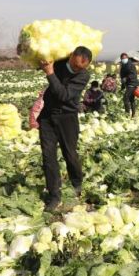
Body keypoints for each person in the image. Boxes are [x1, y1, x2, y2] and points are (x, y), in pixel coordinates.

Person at [38, 46, 92, 212]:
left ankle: (76, 183)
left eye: (80, 67)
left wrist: (50, 73)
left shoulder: (83, 76)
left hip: (67, 119)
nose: (76, 69)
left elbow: (63, 95)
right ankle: (54, 195)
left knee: (70, 153)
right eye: (75, 65)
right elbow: (38, 63)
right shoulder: (58, 63)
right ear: (70, 56)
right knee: (48, 156)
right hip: (48, 116)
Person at [120, 53, 139, 117]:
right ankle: (133, 114)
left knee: (125, 98)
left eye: (125, 58)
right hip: (128, 84)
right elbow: (122, 76)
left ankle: (127, 113)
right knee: (131, 99)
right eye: (122, 58)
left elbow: (133, 74)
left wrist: (126, 78)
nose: (124, 59)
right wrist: (122, 86)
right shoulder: (123, 65)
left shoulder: (131, 65)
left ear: (127, 58)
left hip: (132, 84)